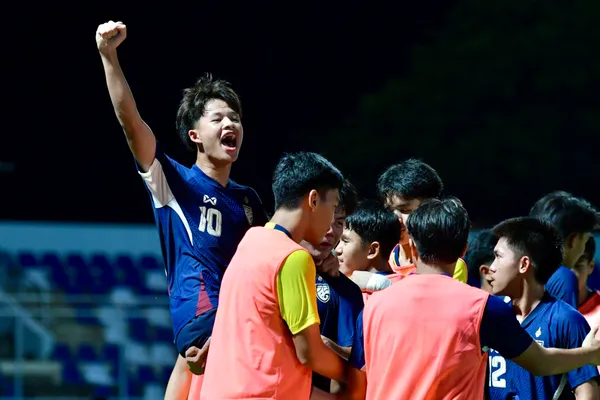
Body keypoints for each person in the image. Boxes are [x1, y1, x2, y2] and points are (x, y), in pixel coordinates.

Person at [95, 21, 268, 400]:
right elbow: (131, 123)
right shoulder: (173, 181)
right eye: (218, 118)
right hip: (205, 318)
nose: (230, 124)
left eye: (235, 118)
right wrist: (109, 57)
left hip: (239, 317)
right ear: (194, 135)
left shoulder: (249, 200)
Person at [347, 198, 600, 400]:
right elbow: (541, 362)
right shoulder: (483, 307)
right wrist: (589, 354)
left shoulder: (373, 306)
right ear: (464, 251)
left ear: (412, 248)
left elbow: (357, 384)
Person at [200, 152, 348, 399]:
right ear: (313, 199)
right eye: (332, 206)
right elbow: (309, 352)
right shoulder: (293, 256)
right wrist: (353, 372)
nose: (332, 221)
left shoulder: (251, 240)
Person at [486, 217, 599, 399]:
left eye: (498, 256)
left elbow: (587, 394)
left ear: (524, 264)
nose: (492, 267)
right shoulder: (492, 318)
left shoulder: (567, 320)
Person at [300, 179, 363, 395]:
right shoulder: (265, 265)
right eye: (326, 218)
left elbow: (354, 362)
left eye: (339, 222)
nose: (330, 230)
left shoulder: (346, 290)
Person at [378, 159, 467, 280]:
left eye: (405, 210)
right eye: (389, 210)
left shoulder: (449, 265)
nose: (395, 219)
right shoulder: (381, 256)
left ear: (430, 207)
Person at [529, 191, 599, 308]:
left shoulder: (511, 273)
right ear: (573, 239)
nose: (582, 249)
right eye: (584, 241)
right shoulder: (563, 279)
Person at [335, 200, 401, 302]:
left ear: (372, 250)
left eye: (345, 241)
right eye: (339, 241)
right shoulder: (404, 286)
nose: (337, 250)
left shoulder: (360, 297)